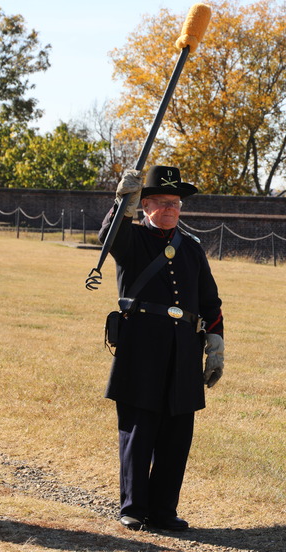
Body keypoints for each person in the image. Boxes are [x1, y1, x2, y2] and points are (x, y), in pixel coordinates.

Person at [99, 165, 224, 531]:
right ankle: (135, 508)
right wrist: (122, 201)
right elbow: (109, 235)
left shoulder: (192, 248)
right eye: (160, 202)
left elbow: (210, 301)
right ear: (146, 205)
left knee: (177, 434)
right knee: (139, 430)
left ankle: (164, 510)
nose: (169, 209)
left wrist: (215, 342)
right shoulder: (132, 239)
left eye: (175, 203)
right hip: (141, 347)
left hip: (183, 349)